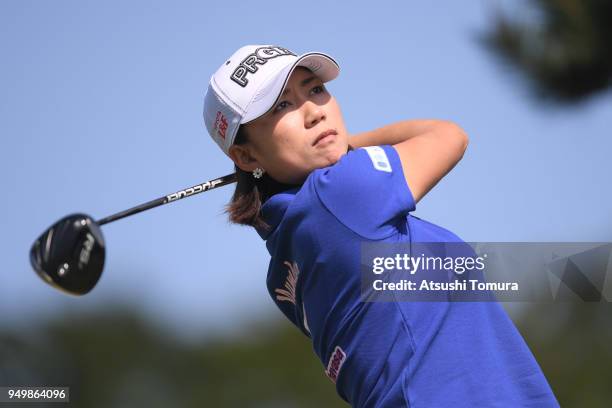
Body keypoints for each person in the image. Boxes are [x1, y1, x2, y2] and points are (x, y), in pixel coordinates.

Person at [203, 44, 559, 407]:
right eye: (282, 106)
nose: (314, 112)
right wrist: (349, 143)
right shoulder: (342, 192)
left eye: (315, 90)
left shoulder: (281, 272)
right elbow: (450, 135)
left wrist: (332, 147)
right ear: (245, 155)